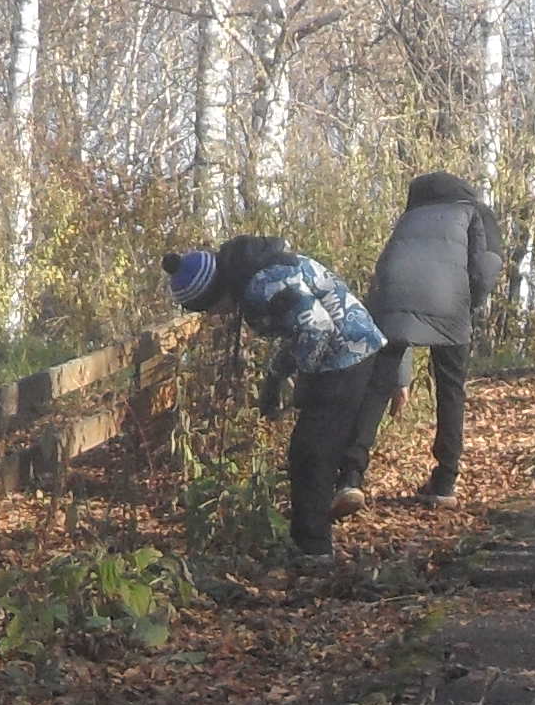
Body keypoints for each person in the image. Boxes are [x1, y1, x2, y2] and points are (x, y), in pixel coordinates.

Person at [163, 235, 389, 566]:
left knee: (311, 451)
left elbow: (318, 329)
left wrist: (304, 378)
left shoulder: (261, 285)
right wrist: (276, 373)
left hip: (348, 354)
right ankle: (313, 538)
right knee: (311, 449)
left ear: (214, 293)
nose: (213, 314)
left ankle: (313, 550)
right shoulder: (255, 274)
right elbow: (298, 327)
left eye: (207, 307)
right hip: (352, 348)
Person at [344, 171, 505, 510]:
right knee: (450, 389)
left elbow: (388, 272)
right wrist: (469, 302)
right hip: (450, 300)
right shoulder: (475, 211)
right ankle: (444, 481)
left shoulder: (409, 219)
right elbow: (487, 265)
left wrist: (399, 377)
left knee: (376, 385)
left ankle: (350, 478)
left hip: (390, 301)